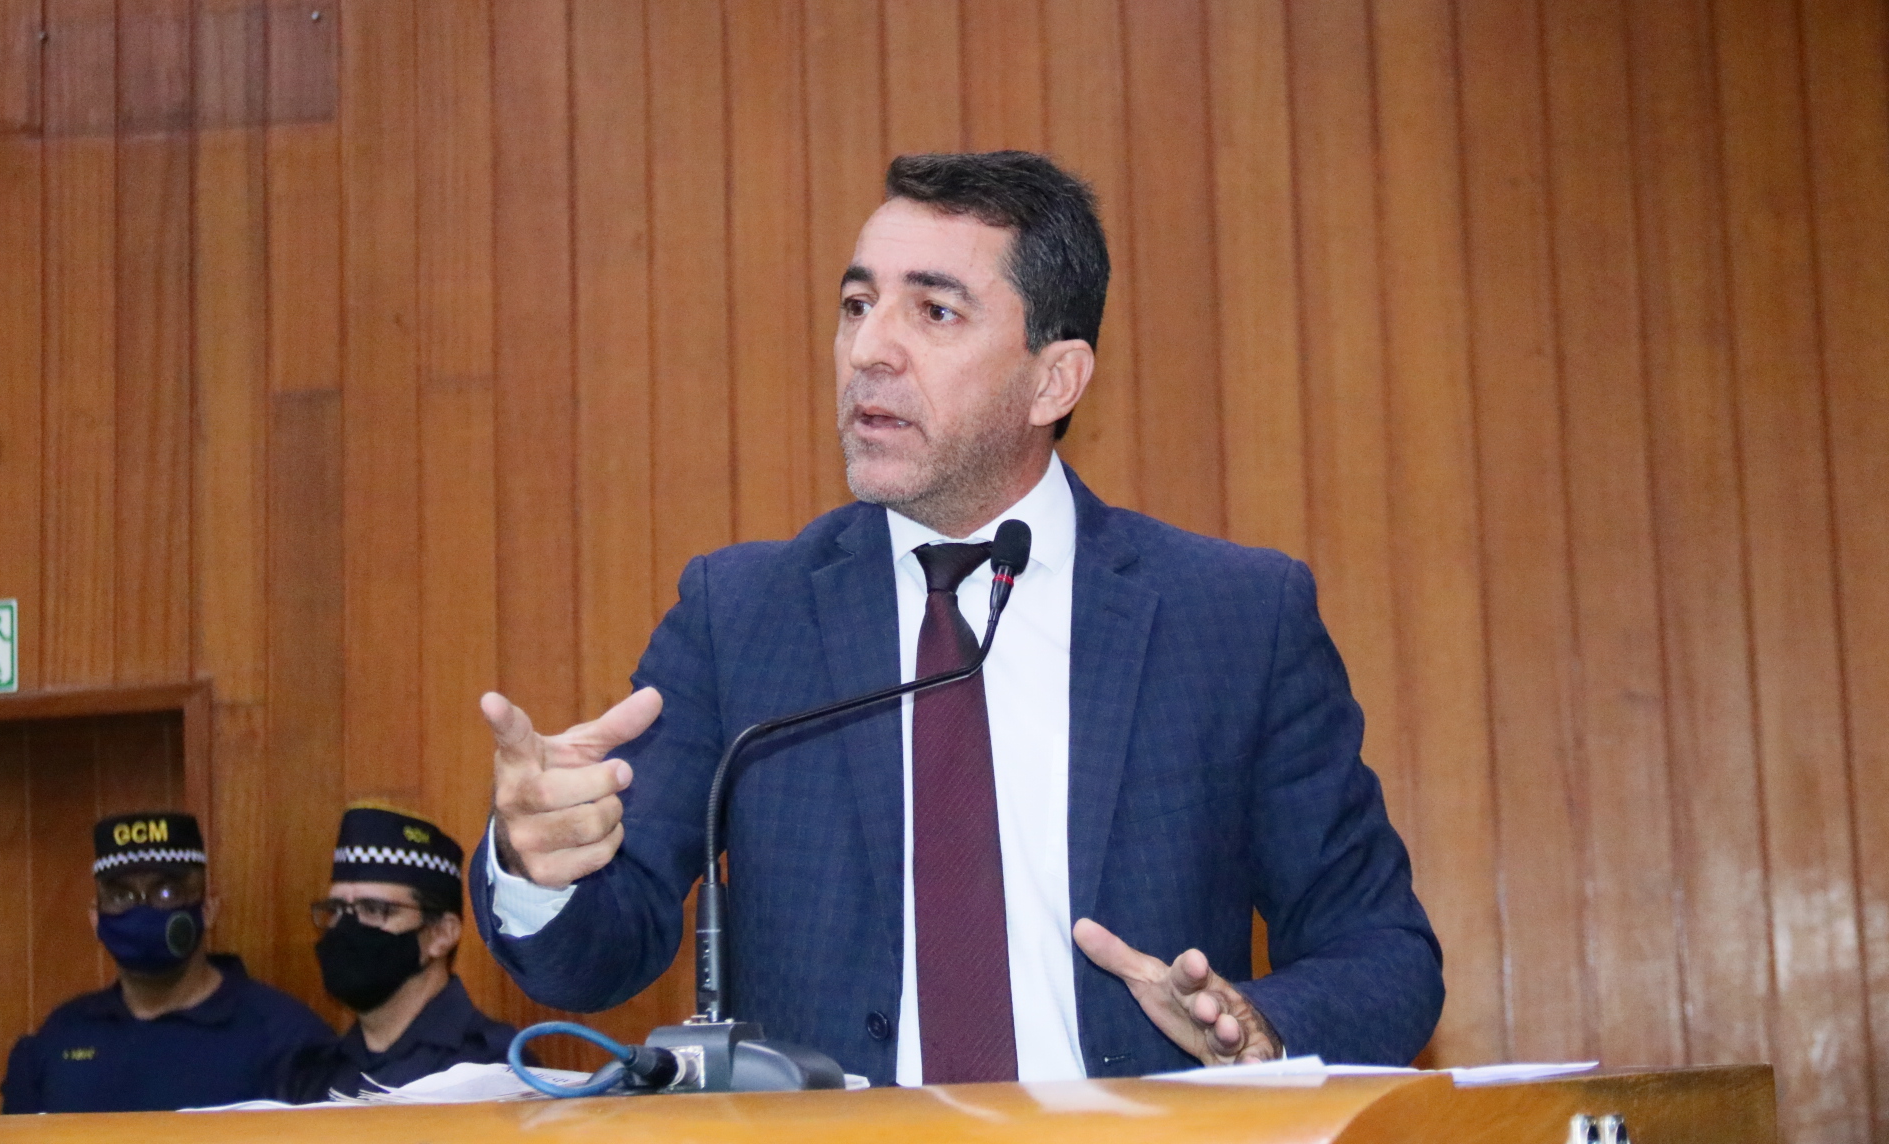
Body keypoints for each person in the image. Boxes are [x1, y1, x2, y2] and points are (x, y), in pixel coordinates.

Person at [473, 151, 1443, 1085]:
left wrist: (1261, 1030)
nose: (868, 350)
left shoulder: (1232, 619)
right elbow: (598, 953)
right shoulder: (741, 614)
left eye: (934, 311)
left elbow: (1383, 952)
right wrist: (536, 863)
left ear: (1054, 379)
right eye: (857, 306)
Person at [1, 811, 331, 1112]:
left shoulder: (286, 1038)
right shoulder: (60, 1037)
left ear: (208, 908)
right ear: (95, 917)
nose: (142, 910)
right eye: (120, 896)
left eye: (166, 893)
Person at [279, 805, 517, 1102]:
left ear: (442, 934)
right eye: (336, 909)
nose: (346, 928)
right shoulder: (311, 1075)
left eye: (374, 909)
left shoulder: (494, 1070)